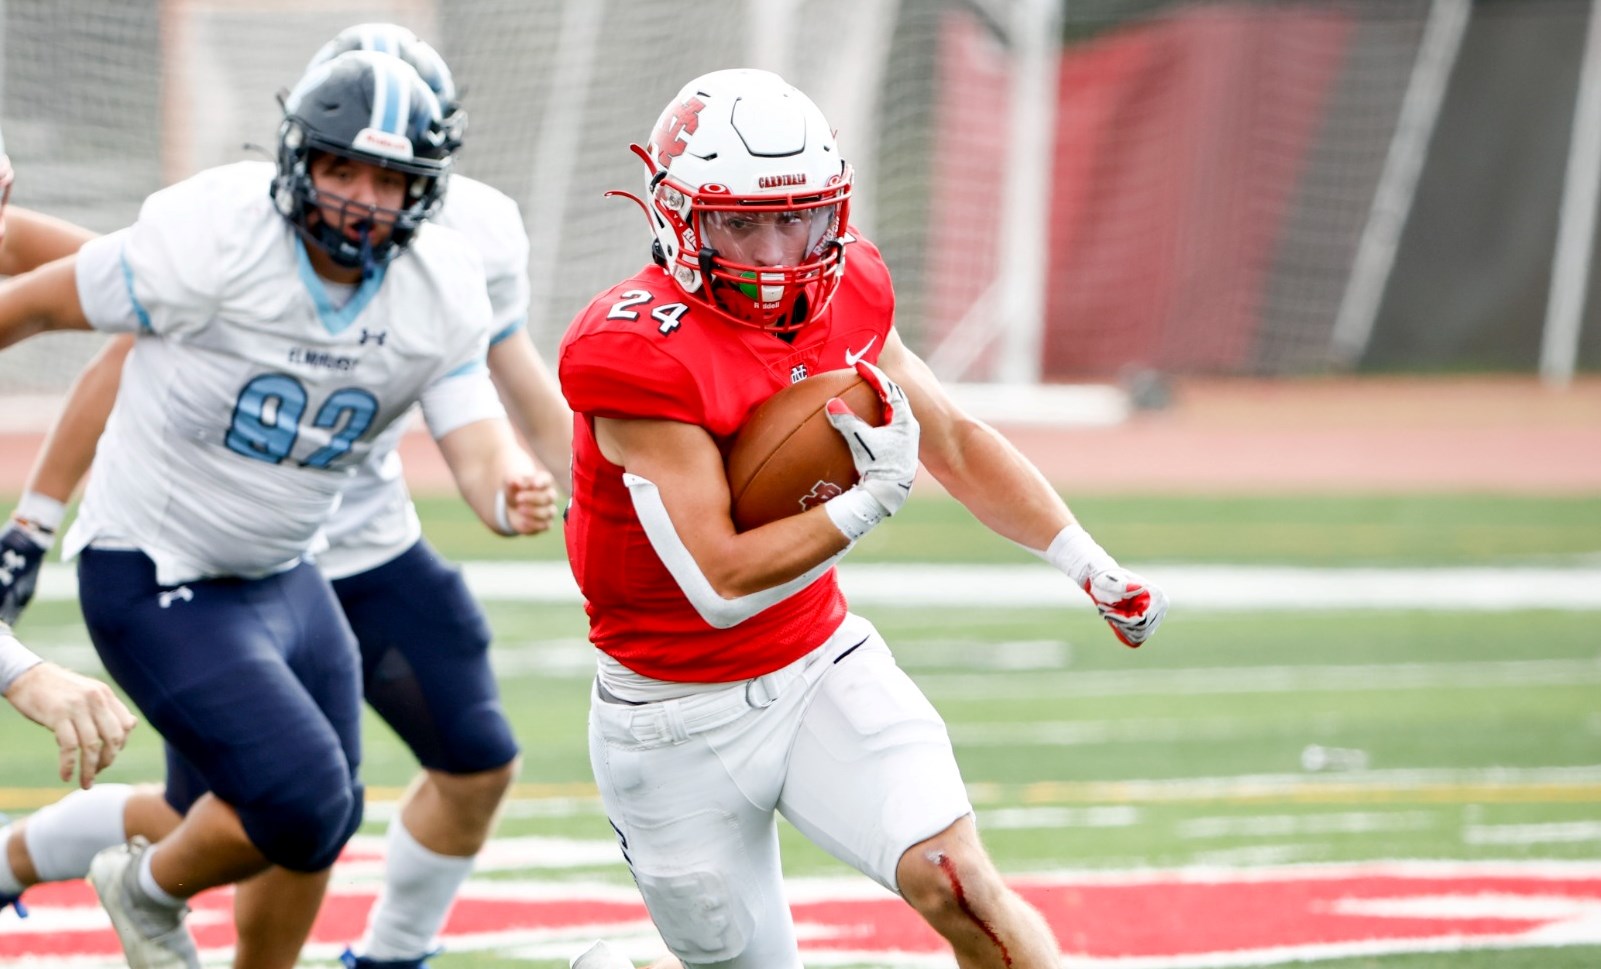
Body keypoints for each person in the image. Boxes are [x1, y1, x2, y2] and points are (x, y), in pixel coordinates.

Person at [557, 69, 1168, 969]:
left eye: (797, 219)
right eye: (741, 224)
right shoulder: (634, 351)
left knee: (959, 882)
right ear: (678, 217)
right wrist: (864, 502)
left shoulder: (848, 288)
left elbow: (952, 439)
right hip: (671, 715)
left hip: (816, 663)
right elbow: (720, 580)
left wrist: (1083, 558)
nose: (776, 254)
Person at [0, 25, 571, 969]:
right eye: (344, 170)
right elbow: (40, 303)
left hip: (289, 566)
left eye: (390, 180)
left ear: (426, 188)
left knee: (320, 819)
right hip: (159, 562)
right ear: (302, 160)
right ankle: (143, 887)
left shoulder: (441, 281)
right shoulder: (216, 234)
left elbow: (474, 432)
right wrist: (37, 516)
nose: (363, 199)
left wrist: (508, 489)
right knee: (295, 796)